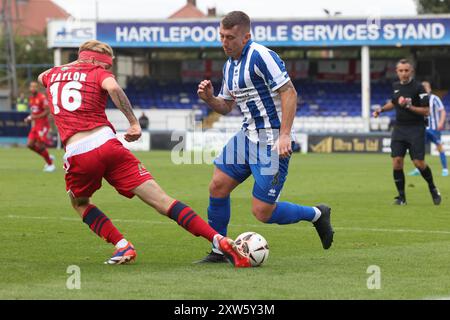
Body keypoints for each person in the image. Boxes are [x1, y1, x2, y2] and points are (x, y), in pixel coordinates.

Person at [37, 39, 250, 267]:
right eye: (105, 66)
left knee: (80, 203)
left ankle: (122, 245)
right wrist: (133, 123)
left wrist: (73, 67)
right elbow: (113, 87)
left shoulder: (54, 74)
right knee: (162, 201)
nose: (106, 70)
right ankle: (218, 239)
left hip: (80, 151)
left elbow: (41, 77)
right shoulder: (97, 73)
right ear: (94, 61)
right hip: (109, 144)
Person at [196, 11, 334, 263]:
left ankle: (316, 214)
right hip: (246, 136)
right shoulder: (229, 66)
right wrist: (209, 99)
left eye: (231, 37)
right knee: (217, 186)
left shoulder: (261, 56)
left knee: (262, 212)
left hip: (271, 143)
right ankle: (219, 249)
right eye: (222, 36)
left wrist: (285, 136)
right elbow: (226, 106)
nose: (225, 42)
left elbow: (289, 92)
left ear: (246, 36)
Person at [373, 59, 441, 205]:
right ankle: (401, 197)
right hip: (399, 129)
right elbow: (394, 102)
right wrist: (381, 110)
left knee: (419, 163)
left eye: (406, 70)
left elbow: (426, 111)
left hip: (416, 129)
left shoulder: (419, 88)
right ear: (397, 72)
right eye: (401, 70)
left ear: (411, 71)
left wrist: (409, 106)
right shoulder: (396, 86)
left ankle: (433, 188)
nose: (403, 73)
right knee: (397, 163)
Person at [408, 81, 448, 177]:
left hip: (434, 128)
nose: (424, 90)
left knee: (439, 147)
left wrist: (441, 122)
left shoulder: (435, 98)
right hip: (423, 128)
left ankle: (445, 169)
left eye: (426, 88)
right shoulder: (418, 100)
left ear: (429, 89)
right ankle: (418, 169)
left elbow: (442, 111)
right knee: (419, 149)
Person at [24, 81, 55, 172]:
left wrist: (34, 117)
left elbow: (47, 111)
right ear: (30, 88)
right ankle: (48, 157)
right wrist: (29, 118)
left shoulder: (42, 98)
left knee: (41, 146)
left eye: (35, 87)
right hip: (35, 125)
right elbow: (34, 112)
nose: (33, 88)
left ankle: (50, 165)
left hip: (43, 125)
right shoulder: (31, 98)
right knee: (30, 145)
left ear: (37, 88)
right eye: (31, 87)